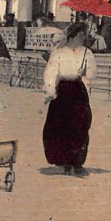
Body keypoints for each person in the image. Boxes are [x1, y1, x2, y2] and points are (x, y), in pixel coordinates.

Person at [42, 22, 97, 176]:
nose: (83, 38)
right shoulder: (59, 52)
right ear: (72, 35)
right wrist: (51, 91)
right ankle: (65, 161)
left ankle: (77, 162)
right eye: (81, 35)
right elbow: (50, 73)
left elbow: (92, 74)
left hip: (78, 90)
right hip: (62, 91)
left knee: (80, 125)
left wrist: (85, 71)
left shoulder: (87, 53)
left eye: (84, 35)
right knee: (61, 126)